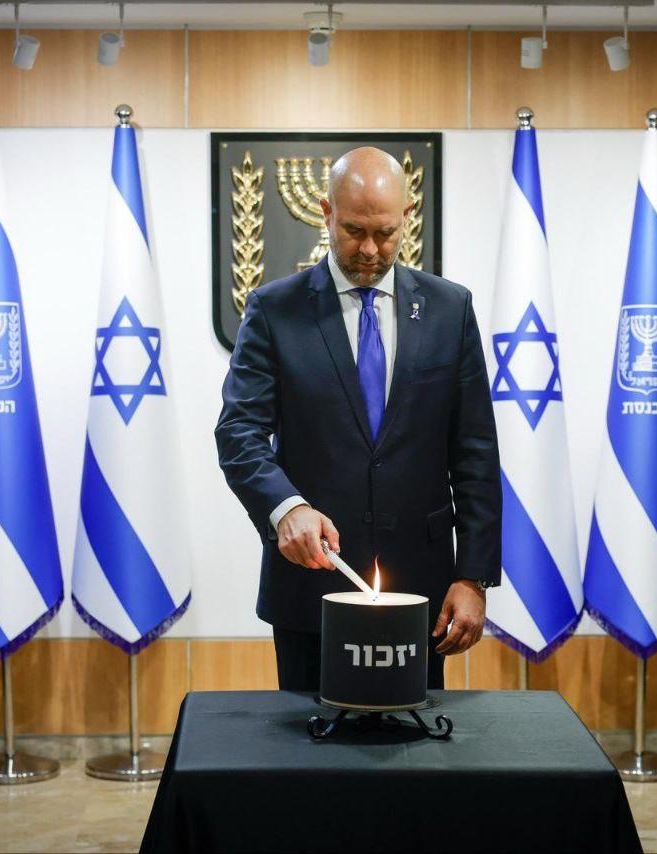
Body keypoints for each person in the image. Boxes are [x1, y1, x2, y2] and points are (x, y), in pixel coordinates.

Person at [215, 146, 501, 691]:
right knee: (309, 757)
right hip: (310, 585)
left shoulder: (449, 310)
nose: (369, 249)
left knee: (414, 758)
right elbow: (239, 431)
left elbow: (476, 453)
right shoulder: (276, 309)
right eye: (352, 231)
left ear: (406, 218)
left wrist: (474, 576)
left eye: (385, 233)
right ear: (325, 211)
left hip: (422, 591)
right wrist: (285, 508)